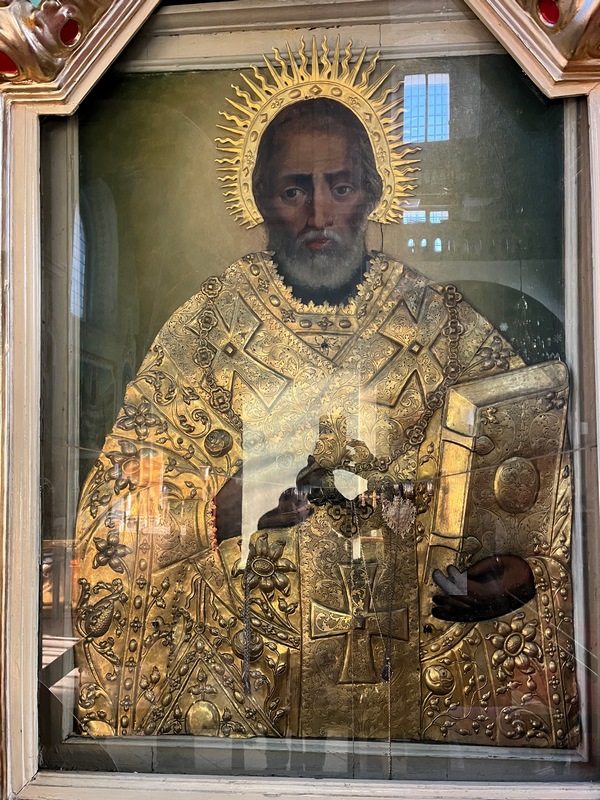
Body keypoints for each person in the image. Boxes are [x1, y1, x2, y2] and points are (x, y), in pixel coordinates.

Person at [74, 49, 577, 747]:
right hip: (255, 685)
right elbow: (112, 513)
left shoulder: (442, 323)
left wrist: (525, 571)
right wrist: (211, 513)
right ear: (260, 200)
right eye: (294, 191)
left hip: (416, 675)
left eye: (339, 186)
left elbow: (536, 477)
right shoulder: (207, 329)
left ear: (371, 193)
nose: (318, 213)